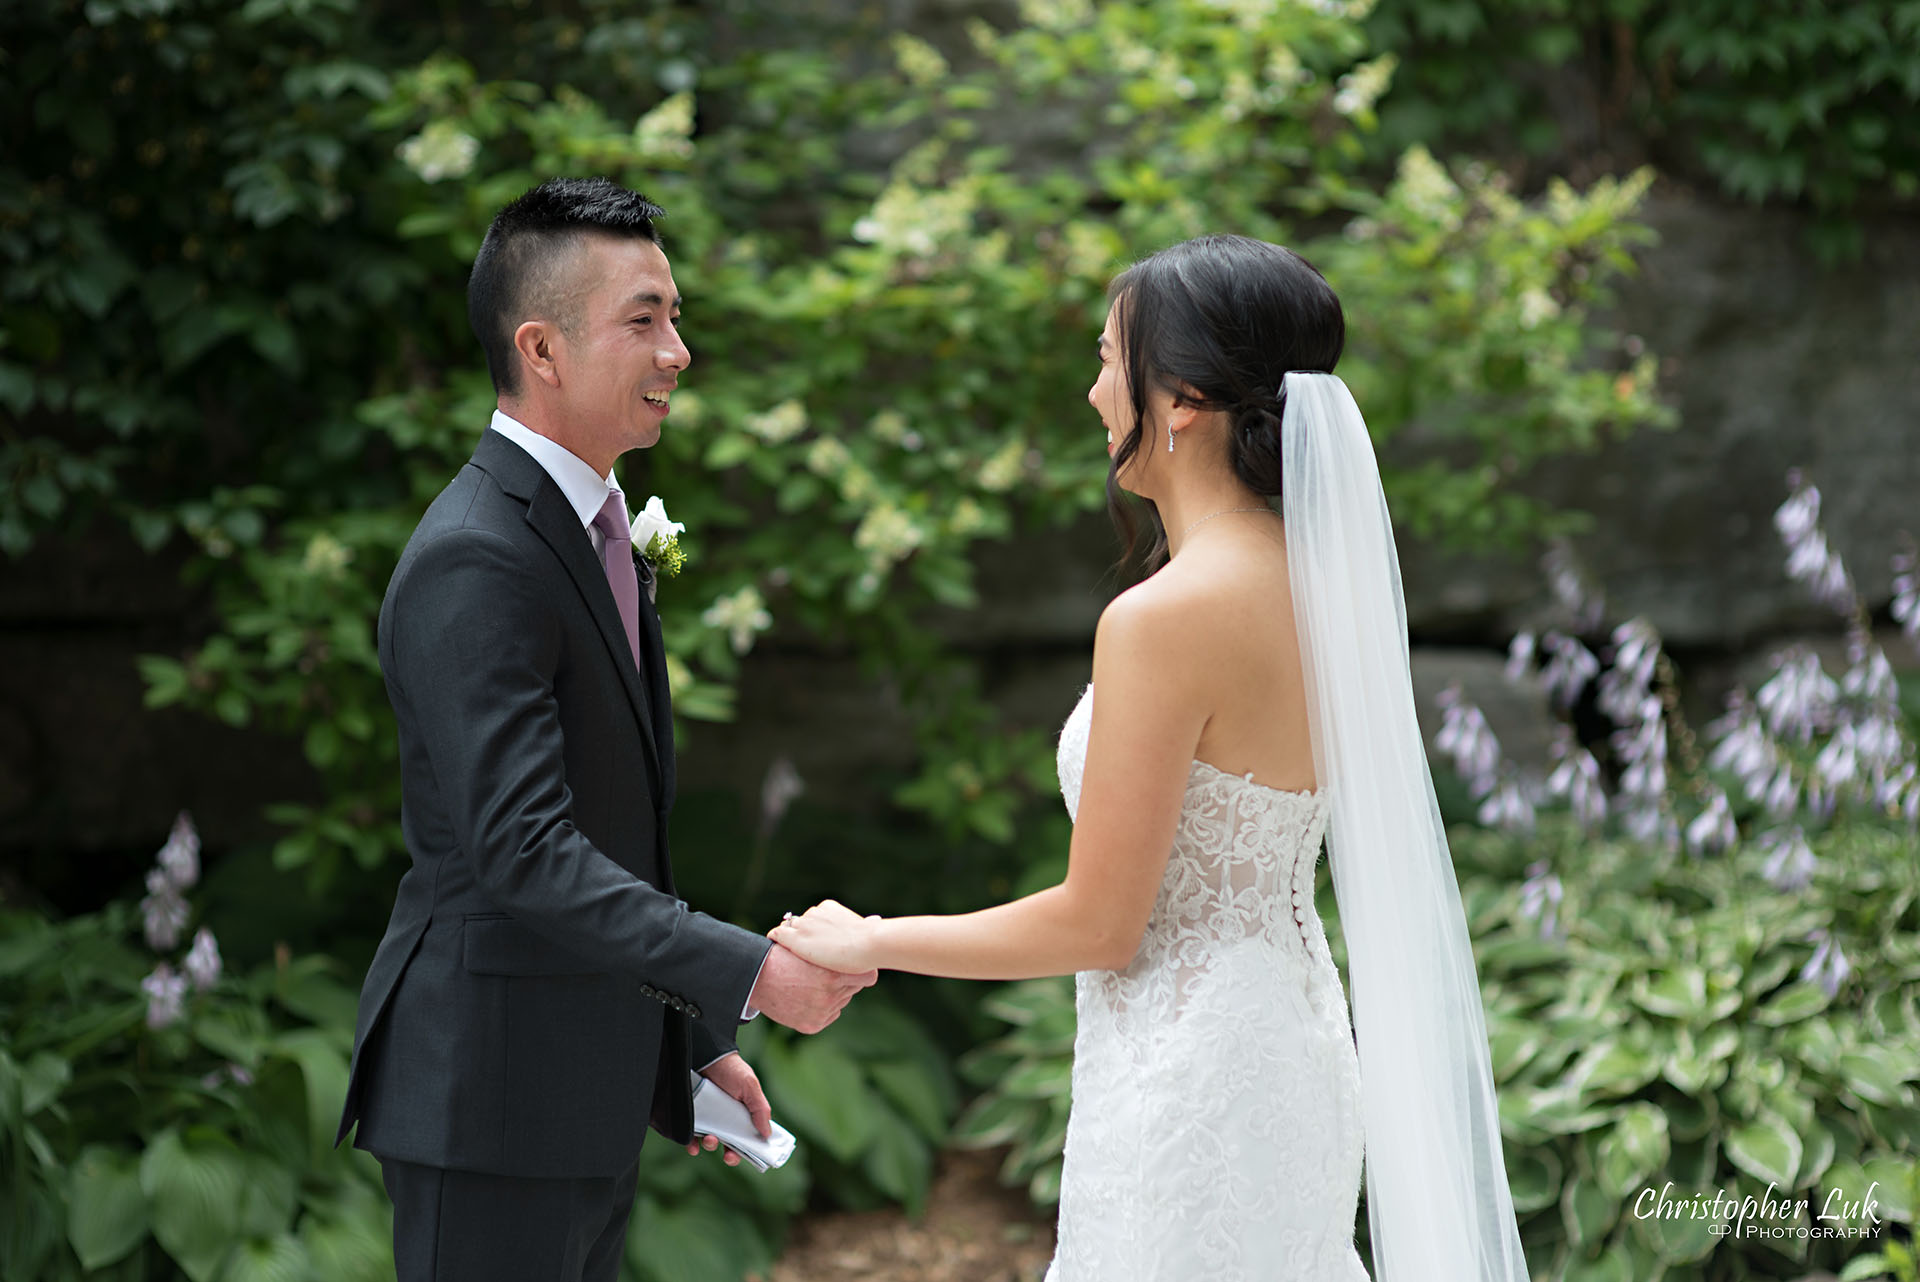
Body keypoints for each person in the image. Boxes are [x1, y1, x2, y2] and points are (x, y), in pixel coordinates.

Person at [772, 235, 1532, 1280]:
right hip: (1297, 1044)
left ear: (1178, 400)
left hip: (1191, 1081)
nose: (1093, 394)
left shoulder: (1164, 619)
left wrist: (872, 939)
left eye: (1107, 359)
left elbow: (1102, 920)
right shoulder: (1327, 590)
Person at [334, 177, 875, 1282]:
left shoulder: (594, 529)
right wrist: (750, 973)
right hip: (485, 1099)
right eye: (644, 319)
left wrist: (691, 1035)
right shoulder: (475, 555)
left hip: (576, 1086)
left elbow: (616, 832)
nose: (678, 350)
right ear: (541, 346)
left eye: (674, 316)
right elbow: (523, 852)